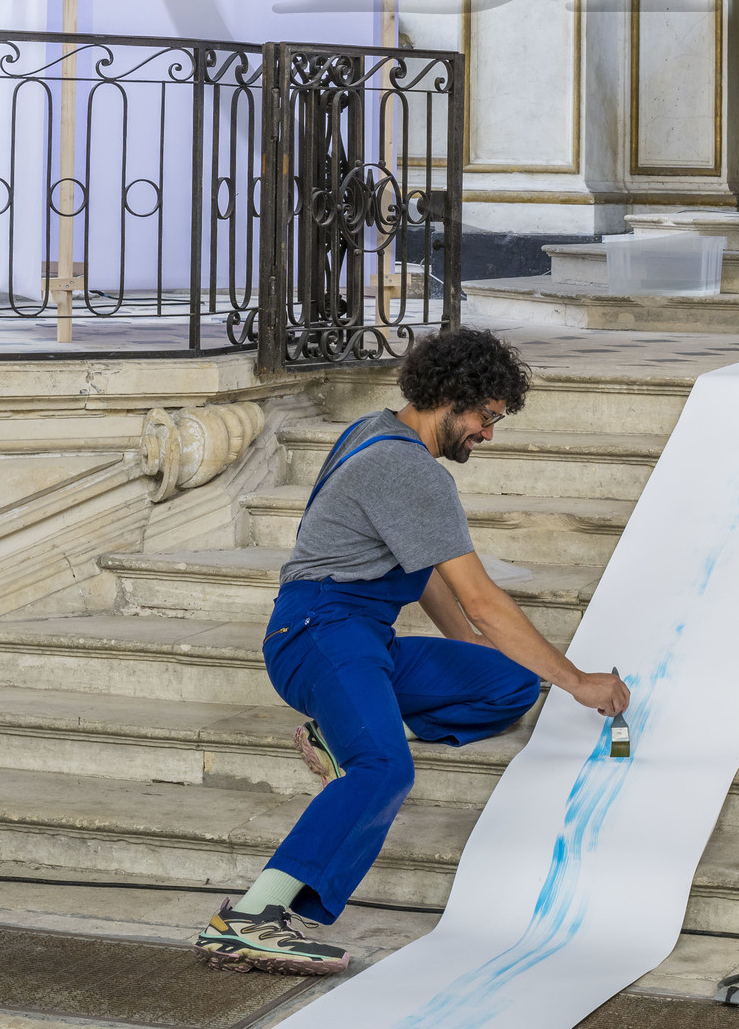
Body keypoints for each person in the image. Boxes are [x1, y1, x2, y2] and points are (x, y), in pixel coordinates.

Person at [196, 328, 629, 977]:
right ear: (453, 397)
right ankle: (251, 918)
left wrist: (474, 656)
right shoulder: (407, 468)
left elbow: (427, 571)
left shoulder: (377, 430)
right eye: (488, 416)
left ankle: (345, 726)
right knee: (385, 769)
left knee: (508, 684)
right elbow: (484, 601)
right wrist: (578, 683)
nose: (489, 434)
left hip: (362, 638)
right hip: (319, 632)